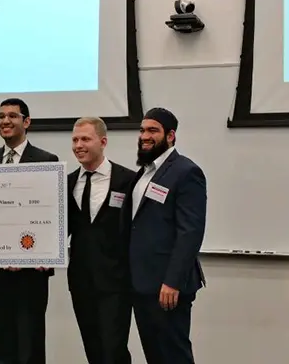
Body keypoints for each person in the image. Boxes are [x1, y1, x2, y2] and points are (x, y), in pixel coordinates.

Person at [0, 98, 58, 364]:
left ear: (27, 122)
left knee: (30, 342)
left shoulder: (46, 161)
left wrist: (46, 255)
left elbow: (52, 214)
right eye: (0, 116)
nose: (5, 121)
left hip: (31, 275)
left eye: (12, 115)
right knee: (2, 341)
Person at [122, 107, 207, 364]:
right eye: (142, 130)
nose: (145, 136)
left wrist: (173, 282)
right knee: (155, 355)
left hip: (167, 287)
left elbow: (190, 232)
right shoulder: (144, 173)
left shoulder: (186, 171)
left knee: (174, 355)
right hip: (143, 284)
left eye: (152, 130)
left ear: (171, 136)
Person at [67, 117, 136, 364]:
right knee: (93, 348)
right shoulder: (67, 182)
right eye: (75, 140)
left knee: (114, 350)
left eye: (85, 139)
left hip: (116, 282)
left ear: (103, 142)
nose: (78, 145)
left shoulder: (128, 181)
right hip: (80, 282)